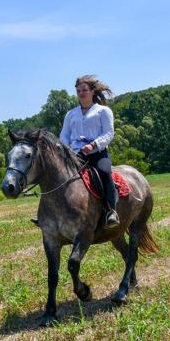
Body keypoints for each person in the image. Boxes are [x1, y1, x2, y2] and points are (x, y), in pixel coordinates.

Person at [59, 75, 119, 227]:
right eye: (78, 90)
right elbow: (64, 135)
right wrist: (66, 150)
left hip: (97, 153)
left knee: (105, 174)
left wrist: (93, 145)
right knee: (56, 176)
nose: (81, 93)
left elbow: (108, 133)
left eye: (84, 90)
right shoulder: (70, 114)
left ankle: (112, 211)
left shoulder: (103, 111)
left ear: (92, 91)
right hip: (74, 155)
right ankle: (51, 214)